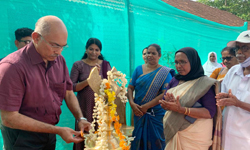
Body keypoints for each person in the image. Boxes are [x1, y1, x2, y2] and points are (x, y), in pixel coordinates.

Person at [0, 15, 91, 150]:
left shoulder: (59, 61)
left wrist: (80, 119)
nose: (59, 52)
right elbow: (9, 118)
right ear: (36, 37)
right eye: (55, 45)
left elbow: (68, 92)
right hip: (22, 138)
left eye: (63, 47)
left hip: (49, 133)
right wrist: (58, 130)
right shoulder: (12, 67)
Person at [159, 47, 217, 150]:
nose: (178, 66)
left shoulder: (204, 83)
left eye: (183, 62)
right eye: (176, 62)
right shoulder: (175, 80)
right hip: (174, 129)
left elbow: (210, 112)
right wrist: (168, 103)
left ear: (193, 62)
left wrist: (182, 109)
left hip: (195, 135)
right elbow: (165, 100)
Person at [127, 44, 175, 150]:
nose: (150, 55)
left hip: (155, 115)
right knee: (137, 140)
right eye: (148, 52)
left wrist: (146, 107)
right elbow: (130, 88)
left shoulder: (164, 73)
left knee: (156, 142)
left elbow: (164, 94)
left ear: (159, 55)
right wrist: (132, 104)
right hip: (138, 111)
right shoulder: (138, 69)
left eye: (154, 53)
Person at [70, 37, 111, 150]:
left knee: (100, 134)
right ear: (86, 50)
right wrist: (89, 79)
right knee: (85, 134)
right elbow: (72, 87)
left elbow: (110, 85)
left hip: (101, 107)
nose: (94, 52)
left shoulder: (105, 65)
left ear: (100, 51)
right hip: (84, 106)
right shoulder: (78, 65)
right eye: (91, 49)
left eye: (97, 50)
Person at [216, 30, 250, 150]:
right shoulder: (233, 71)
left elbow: (236, 102)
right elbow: (226, 94)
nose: (240, 52)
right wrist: (224, 97)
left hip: (246, 141)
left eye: (245, 48)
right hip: (227, 135)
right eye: (237, 48)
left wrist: (238, 103)